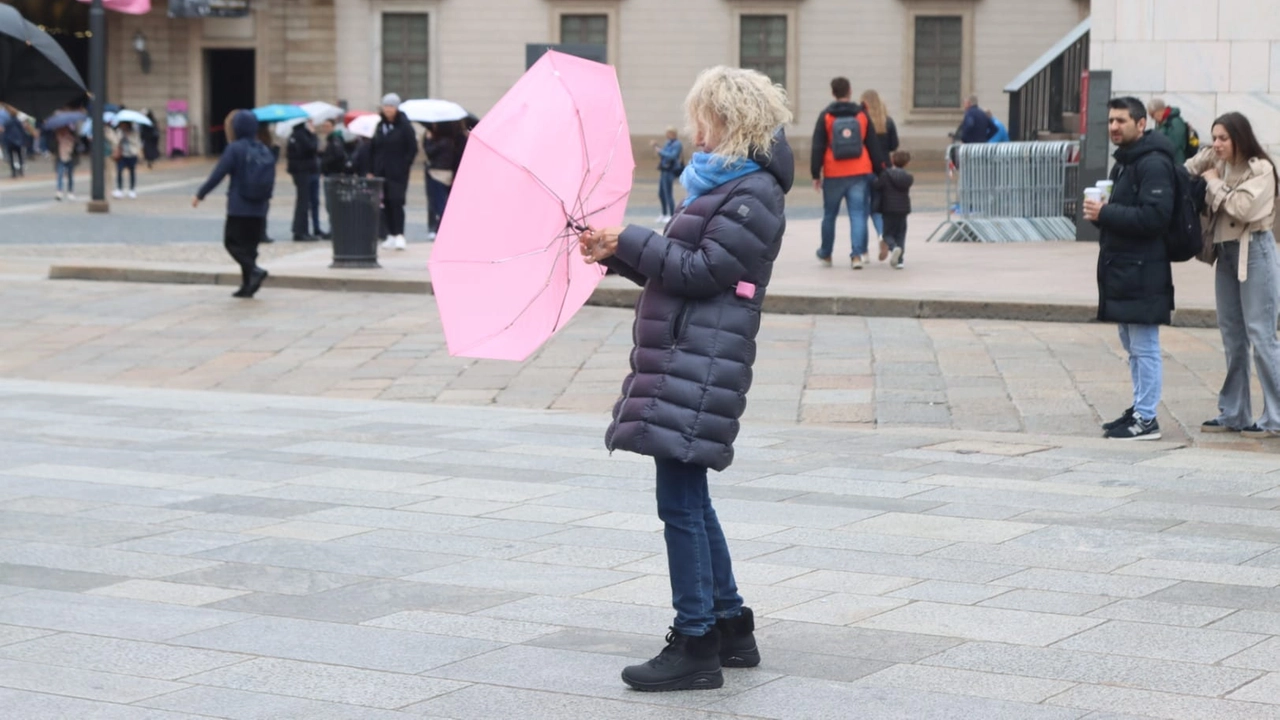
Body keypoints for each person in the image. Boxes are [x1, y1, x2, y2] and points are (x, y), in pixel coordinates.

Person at [578, 65, 792, 693]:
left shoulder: (751, 194)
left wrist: (633, 238)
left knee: (679, 503)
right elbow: (684, 269)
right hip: (687, 357)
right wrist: (616, 252)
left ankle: (695, 641)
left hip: (699, 364)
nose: (697, 131)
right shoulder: (724, 187)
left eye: (707, 118)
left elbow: (702, 270)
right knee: (690, 498)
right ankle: (729, 627)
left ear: (732, 121)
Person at [1084, 96, 1176, 441]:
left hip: (1143, 268)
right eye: (1110, 121)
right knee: (1131, 343)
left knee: (1145, 344)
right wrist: (1102, 215)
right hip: (1124, 265)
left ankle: (1147, 417)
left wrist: (1106, 214)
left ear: (1141, 124)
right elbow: (1128, 214)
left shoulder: (1152, 163)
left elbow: (1156, 217)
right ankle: (1139, 407)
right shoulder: (1124, 162)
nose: (1113, 127)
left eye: (1121, 120)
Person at [1186, 112, 1280, 438]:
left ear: (1240, 137)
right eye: (1214, 137)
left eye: (1224, 138)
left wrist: (1213, 181)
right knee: (1231, 334)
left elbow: (1243, 209)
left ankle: (1276, 415)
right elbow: (1184, 171)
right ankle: (1234, 412)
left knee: (1261, 334)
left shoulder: (1262, 169)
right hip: (1225, 254)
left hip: (1255, 251)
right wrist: (1207, 161)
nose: (1217, 143)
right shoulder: (1216, 160)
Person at [192, 109, 276, 299]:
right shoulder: (263, 148)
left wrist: (201, 194)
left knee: (232, 243)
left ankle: (254, 271)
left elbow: (218, 174)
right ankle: (248, 286)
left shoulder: (235, 148)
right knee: (250, 248)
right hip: (260, 207)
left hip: (239, 206)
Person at [811, 77, 886, 269]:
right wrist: (880, 169)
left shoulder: (826, 116)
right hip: (859, 170)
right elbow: (872, 145)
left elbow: (818, 146)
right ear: (850, 91)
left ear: (833, 93)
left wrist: (815, 174)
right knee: (858, 214)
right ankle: (856, 256)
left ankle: (826, 254)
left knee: (829, 215)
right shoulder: (861, 114)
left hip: (833, 171)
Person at [371, 93, 418, 251]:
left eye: (391, 106)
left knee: (396, 202)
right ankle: (390, 234)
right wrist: (373, 168)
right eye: (386, 106)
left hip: (398, 173)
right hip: (381, 172)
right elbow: (374, 148)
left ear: (397, 108)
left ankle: (399, 234)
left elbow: (412, 148)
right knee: (385, 204)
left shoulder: (404, 126)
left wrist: (404, 166)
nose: (388, 109)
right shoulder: (380, 126)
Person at [860, 89, 898, 260]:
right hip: (884, 170)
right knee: (878, 208)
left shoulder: (861, 121)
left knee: (860, 211)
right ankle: (882, 235)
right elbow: (893, 145)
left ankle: (862, 251)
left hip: (864, 168)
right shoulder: (887, 122)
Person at [423, 120, 466, 240]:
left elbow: (429, 152)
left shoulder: (442, 141)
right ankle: (442, 227)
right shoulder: (454, 140)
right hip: (448, 173)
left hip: (438, 174)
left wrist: (428, 140)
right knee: (444, 202)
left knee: (439, 204)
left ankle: (442, 228)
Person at [286, 119, 325, 241]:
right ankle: (301, 231)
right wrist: (313, 135)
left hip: (305, 171)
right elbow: (311, 147)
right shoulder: (300, 134)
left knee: (308, 201)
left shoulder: (296, 134)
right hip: (304, 171)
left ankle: (307, 229)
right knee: (304, 202)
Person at [874, 150, 913, 269]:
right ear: (907, 164)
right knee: (901, 234)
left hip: (888, 208)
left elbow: (877, 186)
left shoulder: (886, 174)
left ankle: (892, 247)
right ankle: (900, 260)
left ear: (892, 161)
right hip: (903, 209)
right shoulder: (908, 178)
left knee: (887, 234)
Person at [652, 127, 684, 222]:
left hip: (670, 170)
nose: (667, 135)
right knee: (661, 193)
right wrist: (657, 148)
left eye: (668, 133)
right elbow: (664, 154)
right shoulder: (667, 143)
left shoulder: (677, 144)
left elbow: (672, 156)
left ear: (673, 133)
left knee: (668, 193)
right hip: (664, 169)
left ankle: (671, 214)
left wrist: (660, 151)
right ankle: (664, 213)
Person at [1149, 98, 1191, 166]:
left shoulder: (1176, 122)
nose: (1152, 118)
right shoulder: (1161, 123)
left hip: (1177, 162)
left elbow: (1176, 144)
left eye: (1152, 115)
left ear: (1159, 111)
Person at [110, 121, 140, 199]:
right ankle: (119, 189)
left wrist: (128, 137)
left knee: (132, 172)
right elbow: (115, 141)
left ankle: (132, 189)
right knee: (119, 171)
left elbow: (137, 142)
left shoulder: (134, 132)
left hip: (131, 154)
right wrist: (121, 137)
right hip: (122, 154)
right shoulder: (119, 132)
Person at [53, 125, 78, 201]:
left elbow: (76, 145)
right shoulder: (57, 136)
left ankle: (70, 191)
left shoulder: (72, 136)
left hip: (70, 156)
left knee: (70, 175)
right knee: (60, 174)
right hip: (61, 156)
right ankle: (59, 191)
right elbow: (54, 146)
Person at [3, 106, 27, 178]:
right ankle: (21, 171)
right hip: (18, 141)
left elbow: (5, 132)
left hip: (10, 141)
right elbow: (22, 131)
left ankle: (13, 172)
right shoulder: (18, 122)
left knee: (11, 157)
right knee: (20, 156)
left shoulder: (7, 122)